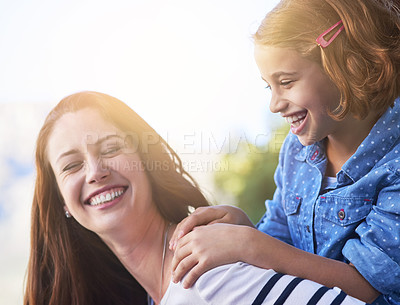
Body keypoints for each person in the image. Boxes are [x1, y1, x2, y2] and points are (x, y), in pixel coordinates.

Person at [24, 91, 366, 305]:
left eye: (111, 148)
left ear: (146, 161)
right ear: (61, 204)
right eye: (71, 165)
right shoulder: (151, 293)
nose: (95, 171)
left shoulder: (208, 273)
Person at [169, 0, 400, 305]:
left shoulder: (393, 163)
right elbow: (281, 243)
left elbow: (366, 286)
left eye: (286, 82)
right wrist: (242, 227)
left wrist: (251, 244)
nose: (275, 104)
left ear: (348, 63)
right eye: (269, 87)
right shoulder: (297, 152)